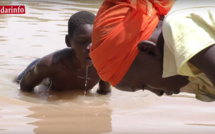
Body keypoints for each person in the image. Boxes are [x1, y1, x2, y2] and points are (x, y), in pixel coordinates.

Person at [90, 0, 215, 101]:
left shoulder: (179, 27)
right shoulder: (189, 60)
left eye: (144, 86)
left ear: (148, 50)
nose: (158, 94)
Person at [15, 11, 111, 95]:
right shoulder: (49, 65)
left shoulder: (103, 67)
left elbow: (104, 93)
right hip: (36, 68)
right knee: (16, 83)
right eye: (82, 41)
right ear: (68, 41)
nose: (90, 48)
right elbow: (24, 89)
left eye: (95, 41)